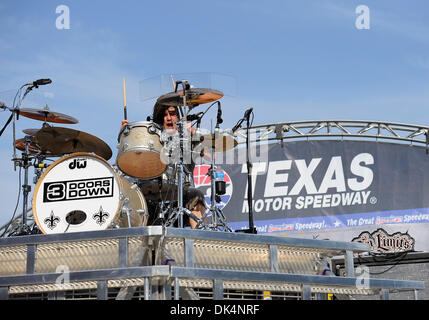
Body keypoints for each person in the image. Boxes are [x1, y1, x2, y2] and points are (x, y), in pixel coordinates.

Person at [120, 102, 207, 229]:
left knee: (197, 196)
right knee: (131, 201)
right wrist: (124, 135)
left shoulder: (187, 138)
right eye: (164, 115)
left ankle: (200, 242)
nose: (169, 118)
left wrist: (194, 134)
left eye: (172, 114)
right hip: (151, 193)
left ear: (179, 117)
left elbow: (208, 155)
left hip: (181, 194)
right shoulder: (152, 139)